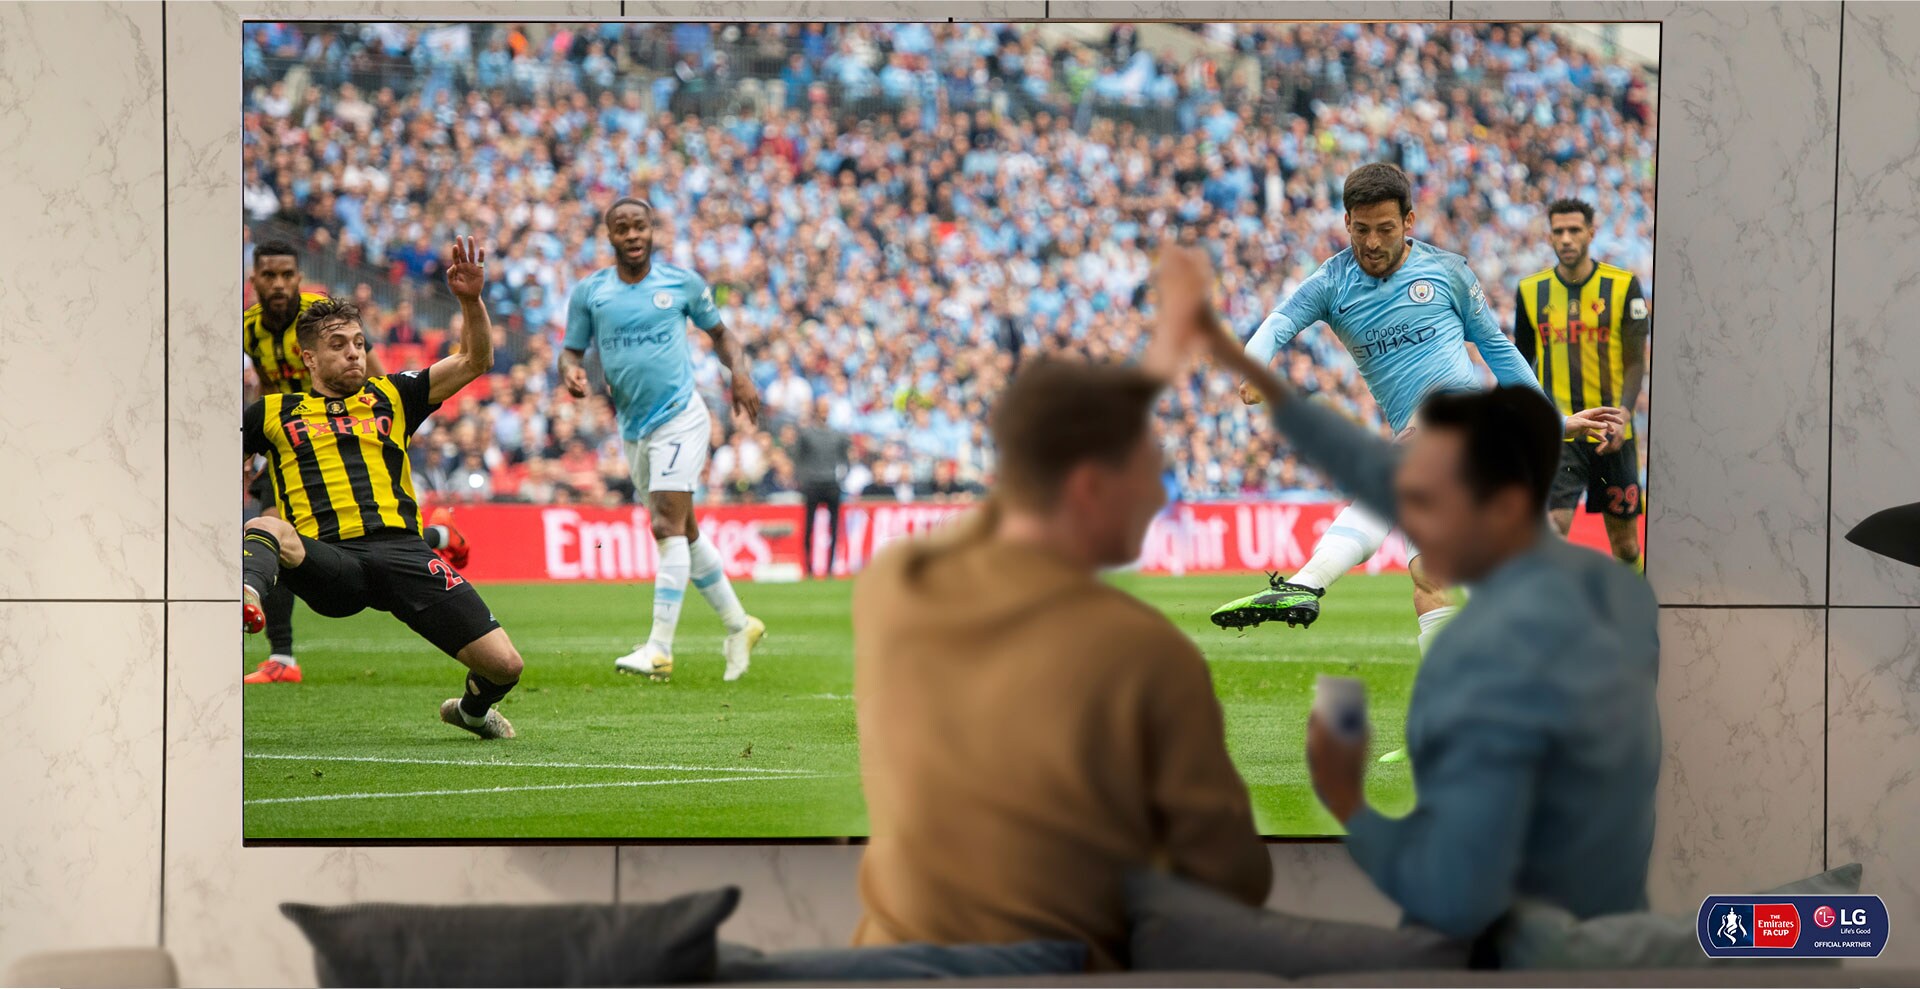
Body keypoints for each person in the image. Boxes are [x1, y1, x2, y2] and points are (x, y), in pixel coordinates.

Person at [1158, 245, 1659, 941]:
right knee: (1428, 577)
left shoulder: (1445, 272)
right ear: (1347, 225)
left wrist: (1551, 418)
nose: (1372, 241)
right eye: (1360, 229)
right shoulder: (1332, 281)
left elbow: (1501, 351)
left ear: (1408, 222)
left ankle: (1308, 584)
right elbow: (1277, 322)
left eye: (1384, 228)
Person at [851, 357, 1271, 972]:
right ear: (1089, 488)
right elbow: (1234, 879)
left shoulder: (895, 586)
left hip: (883, 966)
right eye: (1146, 475)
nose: (1157, 498)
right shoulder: (1145, 651)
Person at [239, 238, 518, 739]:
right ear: (308, 357)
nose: (353, 354)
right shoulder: (272, 412)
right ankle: (242, 598)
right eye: (338, 345)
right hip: (331, 562)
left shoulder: (394, 393)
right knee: (265, 524)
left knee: (505, 666)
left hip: (402, 553)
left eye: (359, 343)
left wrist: (471, 301)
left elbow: (475, 360)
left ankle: (472, 712)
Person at [562, 197, 766, 682]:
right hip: (633, 428)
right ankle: (741, 624)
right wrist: (570, 372)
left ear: (653, 231)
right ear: (609, 236)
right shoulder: (590, 293)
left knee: (665, 526)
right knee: (686, 530)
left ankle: (658, 649)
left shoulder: (682, 283)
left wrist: (739, 373)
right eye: (622, 228)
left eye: (640, 226)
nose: (632, 235)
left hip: (681, 416)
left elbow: (723, 336)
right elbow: (570, 351)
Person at [240, 242, 398, 684]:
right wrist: (256, 440)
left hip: (339, 435)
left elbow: (378, 378)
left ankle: (283, 658)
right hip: (288, 438)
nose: (278, 283)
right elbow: (268, 384)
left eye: (287, 274)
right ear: (254, 281)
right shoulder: (249, 328)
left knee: (312, 531)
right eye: (268, 275)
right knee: (276, 528)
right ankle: (283, 657)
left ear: (298, 276)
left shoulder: (320, 318)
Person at [1514, 198, 1649, 569]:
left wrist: (1622, 414)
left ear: (1591, 231)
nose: (1567, 239)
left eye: (1574, 230)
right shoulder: (1530, 291)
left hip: (1613, 430)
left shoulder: (1623, 286)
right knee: (1554, 527)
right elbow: (1519, 363)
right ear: (1550, 236)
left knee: (1626, 548)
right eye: (1559, 231)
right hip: (1561, 433)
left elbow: (1636, 361)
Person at [793, 396, 850, 578]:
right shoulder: (807, 434)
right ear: (816, 411)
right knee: (809, 527)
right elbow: (799, 459)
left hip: (831, 483)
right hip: (813, 484)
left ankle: (831, 568)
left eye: (827, 409)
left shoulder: (838, 435)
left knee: (834, 527)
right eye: (822, 408)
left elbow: (845, 459)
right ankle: (809, 568)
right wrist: (803, 479)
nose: (824, 412)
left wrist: (842, 476)